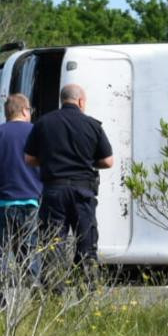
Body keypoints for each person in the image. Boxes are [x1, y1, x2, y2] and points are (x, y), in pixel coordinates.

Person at [23, 84, 114, 282]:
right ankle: (86, 289)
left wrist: (49, 160)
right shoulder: (93, 125)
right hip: (83, 192)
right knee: (86, 244)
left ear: (62, 100)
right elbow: (108, 161)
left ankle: (54, 295)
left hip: (54, 191)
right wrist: (87, 161)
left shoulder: (43, 123)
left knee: (53, 243)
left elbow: (29, 159)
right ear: (81, 101)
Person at [0, 93, 43, 294]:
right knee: (30, 252)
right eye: (29, 109)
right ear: (24, 110)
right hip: (31, 201)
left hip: (2, 203)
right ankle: (35, 295)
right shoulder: (37, 133)